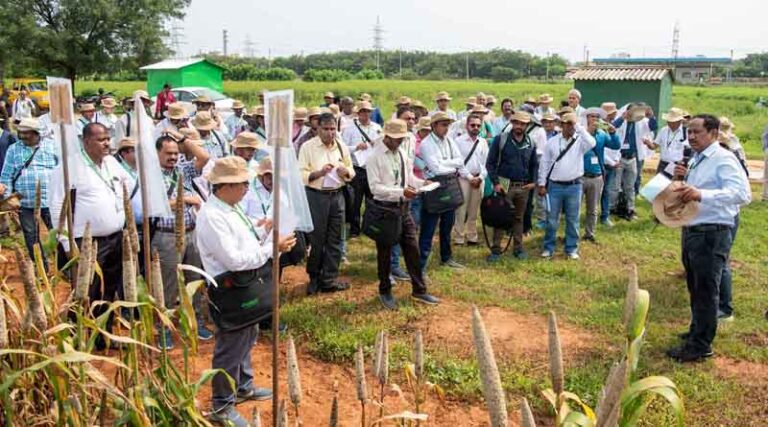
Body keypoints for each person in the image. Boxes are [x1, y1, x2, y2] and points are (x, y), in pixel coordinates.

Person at [196, 156, 297, 426]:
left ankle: (243, 385)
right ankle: (221, 405)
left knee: (249, 333)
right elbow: (235, 259)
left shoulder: (230, 208)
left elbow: (244, 240)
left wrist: (262, 229)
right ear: (225, 186)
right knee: (231, 345)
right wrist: (272, 249)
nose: (246, 188)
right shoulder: (212, 216)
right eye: (242, 183)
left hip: (244, 283)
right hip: (231, 287)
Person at [666, 114, 751, 363]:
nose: (691, 137)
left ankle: (701, 346)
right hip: (693, 228)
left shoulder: (723, 159)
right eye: (689, 132)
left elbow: (742, 194)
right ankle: (697, 332)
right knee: (695, 285)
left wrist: (701, 193)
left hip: (712, 232)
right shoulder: (697, 159)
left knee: (706, 289)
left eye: (696, 132)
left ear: (713, 133)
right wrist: (683, 179)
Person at [49, 123, 131, 350]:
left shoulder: (112, 163)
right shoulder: (68, 169)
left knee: (108, 290)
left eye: (108, 138)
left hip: (114, 239)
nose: (107, 143)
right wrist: (66, 243)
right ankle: (77, 339)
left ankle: (102, 335)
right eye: (101, 139)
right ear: (86, 142)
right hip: (86, 242)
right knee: (86, 291)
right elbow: (57, 207)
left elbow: (127, 185)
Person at [367, 119, 441, 310]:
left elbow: (409, 179)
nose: (400, 141)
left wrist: (421, 183)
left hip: (403, 208)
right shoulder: (374, 157)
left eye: (402, 138)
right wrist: (402, 192)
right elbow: (375, 188)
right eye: (396, 138)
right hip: (385, 209)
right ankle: (385, 290)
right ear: (386, 136)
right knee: (384, 253)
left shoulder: (401, 153)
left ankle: (419, 289)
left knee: (412, 249)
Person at [151, 132, 212, 348]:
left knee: (194, 279)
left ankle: (195, 322)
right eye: (168, 153)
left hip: (191, 232)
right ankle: (164, 328)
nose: (173, 157)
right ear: (156, 153)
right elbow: (156, 205)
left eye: (176, 153)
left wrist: (183, 139)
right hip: (166, 236)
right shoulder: (151, 175)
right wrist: (186, 198)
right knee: (167, 285)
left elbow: (204, 157)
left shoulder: (182, 170)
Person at [298, 113, 355, 295]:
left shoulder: (341, 145)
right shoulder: (308, 147)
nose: (330, 133)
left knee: (336, 238)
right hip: (316, 197)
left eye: (333, 129)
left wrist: (345, 171)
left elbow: (351, 171)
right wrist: (319, 173)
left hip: (337, 196)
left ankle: (329, 279)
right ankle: (314, 277)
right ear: (318, 129)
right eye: (326, 129)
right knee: (317, 239)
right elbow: (301, 175)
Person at [538, 113, 596, 260]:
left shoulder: (580, 141)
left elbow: (592, 142)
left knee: (573, 219)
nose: (570, 127)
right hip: (554, 186)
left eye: (572, 124)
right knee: (552, 219)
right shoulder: (552, 142)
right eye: (567, 124)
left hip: (574, 186)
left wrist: (579, 127)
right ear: (561, 125)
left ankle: (571, 248)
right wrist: (541, 183)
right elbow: (544, 164)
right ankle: (548, 247)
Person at [0, 118, 57, 260]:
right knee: (31, 237)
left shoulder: (52, 146)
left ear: (37, 133)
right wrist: (9, 198)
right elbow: (6, 175)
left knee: (58, 234)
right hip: (25, 203)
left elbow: (62, 170)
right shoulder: (14, 149)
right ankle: (40, 268)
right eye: (21, 133)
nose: (23, 136)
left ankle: (64, 269)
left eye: (27, 133)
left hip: (50, 201)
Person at [485, 111, 538, 261]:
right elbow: (490, 163)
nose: (518, 126)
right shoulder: (500, 140)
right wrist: (495, 183)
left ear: (527, 125)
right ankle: (496, 249)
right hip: (504, 185)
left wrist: (533, 181)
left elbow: (534, 164)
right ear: (512, 123)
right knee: (500, 217)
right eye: (516, 123)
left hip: (523, 187)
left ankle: (518, 248)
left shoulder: (531, 142)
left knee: (519, 218)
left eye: (522, 124)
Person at [418, 112, 467, 272]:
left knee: (447, 226)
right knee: (429, 228)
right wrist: (450, 164)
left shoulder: (450, 140)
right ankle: (421, 265)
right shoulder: (426, 144)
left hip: (449, 184)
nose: (446, 128)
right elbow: (435, 168)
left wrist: (445, 163)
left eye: (448, 125)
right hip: (433, 186)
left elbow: (460, 161)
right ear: (434, 126)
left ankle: (446, 258)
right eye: (443, 125)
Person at [341, 101, 382, 237]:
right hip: (357, 168)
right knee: (355, 202)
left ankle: (369, 227)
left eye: (368, 111)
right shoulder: (349, 128)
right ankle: (354, 230)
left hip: (372, 168)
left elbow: (382, 147)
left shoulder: (377, 127)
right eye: (363, 111)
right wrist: (356, 147)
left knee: (372, 201)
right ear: (358, 113)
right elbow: (343, 148)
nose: (366, 114)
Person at [582, 108, 620, 243]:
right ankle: (572, 234)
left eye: (597, 117)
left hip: (596, 175)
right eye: (591, 117)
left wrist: (613, 132)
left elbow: (616, 146)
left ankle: (589, 233)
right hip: (580, 175)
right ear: (587, 119)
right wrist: (589, 133)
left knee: (592, 209)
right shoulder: (581, 133)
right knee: (574, 208)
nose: (594, 119)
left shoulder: (602, 134)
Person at [611, 104, 655, 221]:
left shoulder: (642, 122)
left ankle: (630, 208)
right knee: (615, 185)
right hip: (620, 157)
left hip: (633, 158)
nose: (633, 114)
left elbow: (653, 127)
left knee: (630, 186)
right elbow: (612, 127)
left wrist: (652, 116)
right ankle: (612, 207)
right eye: (631, 112)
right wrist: (622, 118)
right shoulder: (622, 121)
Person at [453, 116, 488, 246]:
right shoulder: (458, 141)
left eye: (478, 125)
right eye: (473, 125)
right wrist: (469, 177)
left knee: (474, 210)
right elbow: (458, 163)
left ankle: (472, 236)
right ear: (467, 126)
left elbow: (486, 163)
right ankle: (459, 237)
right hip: (463, 179)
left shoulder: (483, 142)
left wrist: (480, 177)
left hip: (479, 179)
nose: (475, 128)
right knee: (461, 210)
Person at [647, 108, 688, 178]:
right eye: (668, 121)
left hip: (677, 165)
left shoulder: (686, 132)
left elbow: (691, 150)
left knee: (675, 187)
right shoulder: (663, 130)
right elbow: (654, 146)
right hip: (663, 164)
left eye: (672, 121)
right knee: (659, 186)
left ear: (679, 121)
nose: (669, 123)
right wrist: (648, 143)